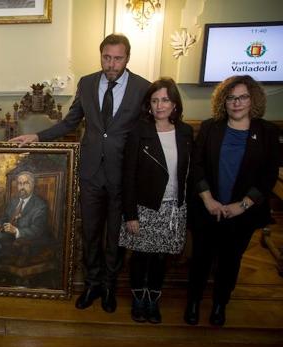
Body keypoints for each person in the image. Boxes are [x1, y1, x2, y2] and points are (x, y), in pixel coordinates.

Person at [10, 33, 150, 312]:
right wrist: (37, 136)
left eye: (117, 58)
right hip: (90, 175)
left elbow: (148, 133)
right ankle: (92, 285)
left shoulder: (142, 88)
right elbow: (70, 122)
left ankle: (110, 286)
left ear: (127, 58)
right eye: (106, 57)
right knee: (90, 233)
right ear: (101, 56)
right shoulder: (87, 83)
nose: (111, 64)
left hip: (123, 176)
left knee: (114, 237)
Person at [184, 75, 279, 327]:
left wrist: (243, 205)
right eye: (231, 97)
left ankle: (219, 304)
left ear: (252, 100)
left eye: (243, 97)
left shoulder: (267, 132)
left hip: (242, 213)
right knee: (201, 259)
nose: (236, 103)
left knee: (230, 260)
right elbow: (197, 166)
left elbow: (268, 176)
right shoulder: (210, 127)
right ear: (223, 101)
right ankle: (193, 302)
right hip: (208, 208)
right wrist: (207, 199)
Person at [119, 78, 193, 324]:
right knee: (141, 256)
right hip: (144, 207)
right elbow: (127, 175)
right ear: (148, 104)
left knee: (162, 257)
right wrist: (130, 214)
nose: (160, 105)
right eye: (155, 100)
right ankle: (139, 298)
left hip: (173, 207)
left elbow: (190, 171)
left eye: (165, 100)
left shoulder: (185, 132)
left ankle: (153, 299)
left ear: (174, 104)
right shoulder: (139, 131)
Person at [0, 171, 49, 284]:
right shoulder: (14, 201)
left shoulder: (40, 205)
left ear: (32, 185)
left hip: (27, 242)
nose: (21, 187)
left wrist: (16, 230)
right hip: (8, 238)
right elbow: (4, 217)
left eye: (25, 183)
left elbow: (37, 230)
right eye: (19, 183)